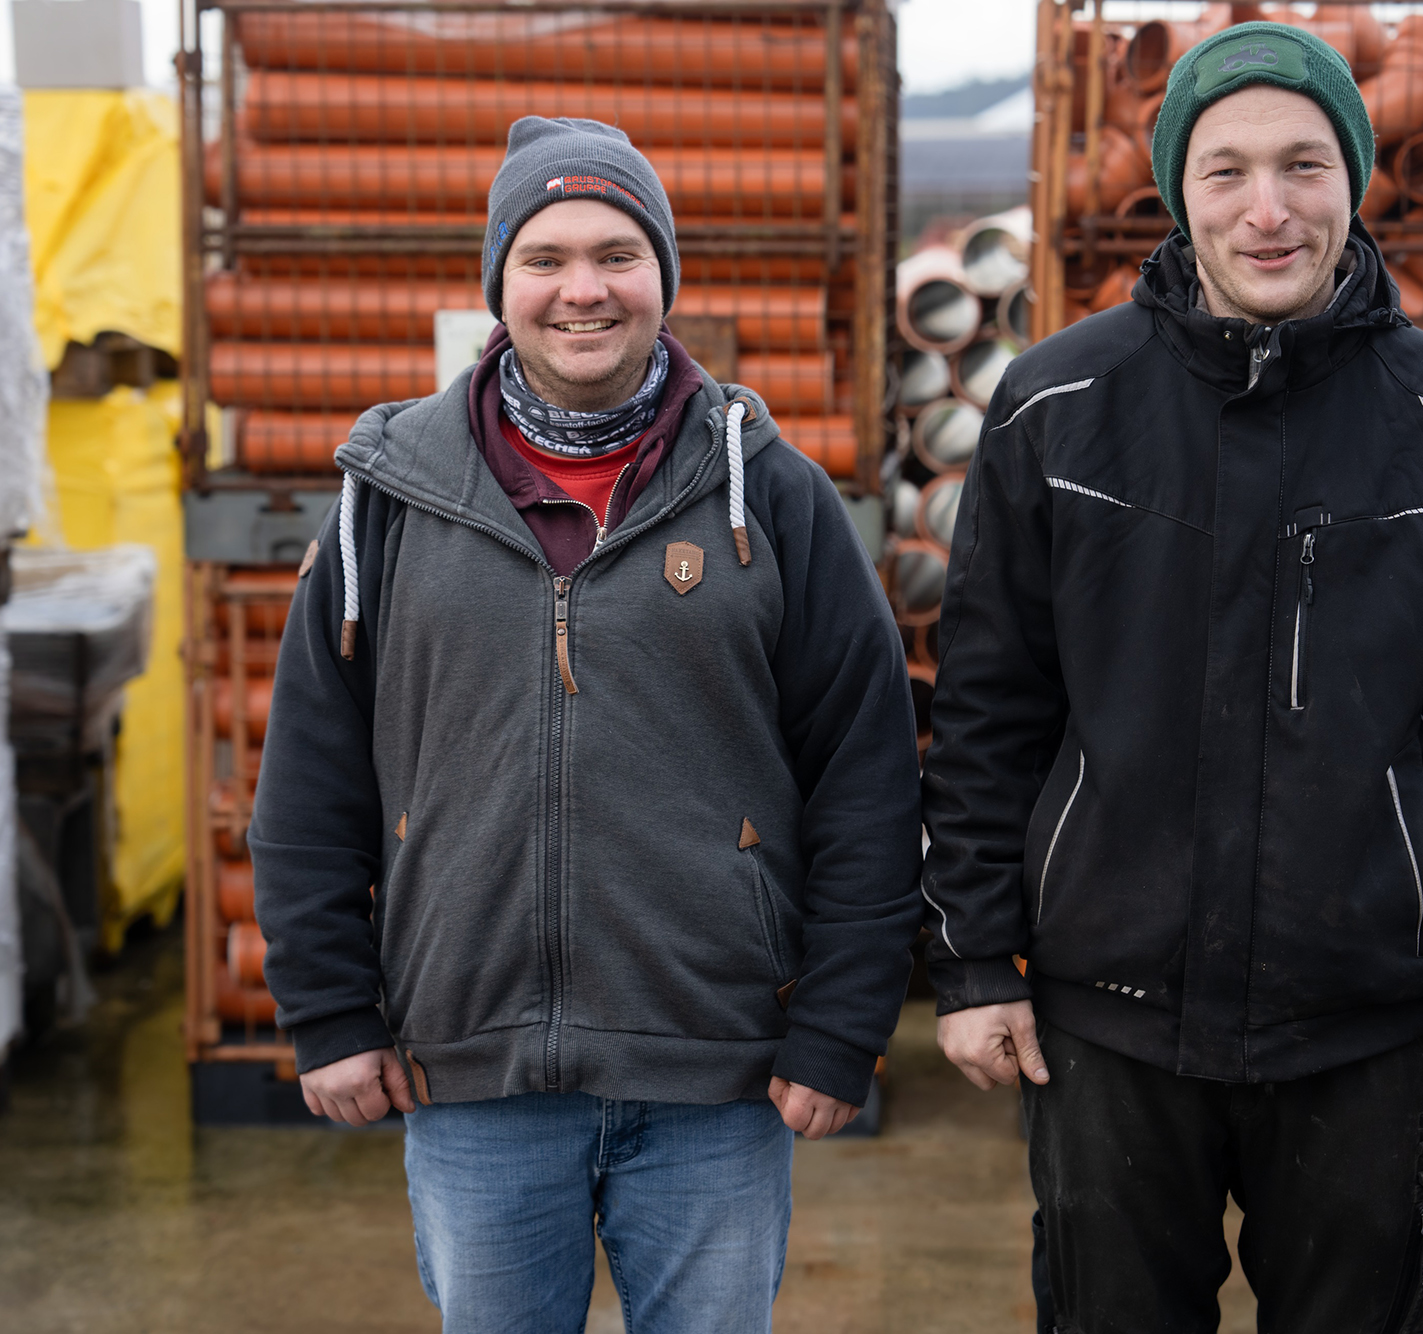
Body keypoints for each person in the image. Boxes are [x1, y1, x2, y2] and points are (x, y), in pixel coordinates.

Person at [921, 22, 1423, 1333]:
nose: (1267, 210)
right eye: (1226, 171)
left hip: (1365, 1030)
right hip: (1108, 1024)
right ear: (1177, 189)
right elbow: (989, 708)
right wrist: (973, 962)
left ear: (1356, 178)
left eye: (1303, 166)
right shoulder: (1058, 404)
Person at [248, 116, 923, 1333]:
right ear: (497, 283)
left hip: (715, 1074)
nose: (582, 289)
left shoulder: (765, 492)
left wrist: (838, 1026)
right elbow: (308, 779)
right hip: (472, 1067)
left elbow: (866, 778)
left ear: (664, 274)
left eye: (616, 253)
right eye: (544, 256)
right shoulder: (390, 497)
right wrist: (330, 1011)